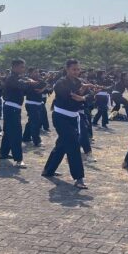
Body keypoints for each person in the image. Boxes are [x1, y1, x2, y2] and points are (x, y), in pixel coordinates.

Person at [42, 59, 89, 189]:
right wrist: (81, 93)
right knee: (73, 144)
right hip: (61, 117)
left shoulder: (80, 82)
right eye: (73, 69)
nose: (76, 72)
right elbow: (69, 97)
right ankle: (79, 178)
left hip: (74, 117)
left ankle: (48, 170)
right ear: (67, 69)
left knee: (62, 144)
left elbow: (89, 97)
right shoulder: (60, 83)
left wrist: (84, 96)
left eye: (78, 69)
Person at [0, 59, 37, 168]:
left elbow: (23, 89)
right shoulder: (11, 78)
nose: (23, 69)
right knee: (16, 133)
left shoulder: (17, 78)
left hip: (13, 108)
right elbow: (22, 86)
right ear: (14, 67)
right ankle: (19, 159)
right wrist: (30, 82)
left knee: (8, 131)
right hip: (12, 108)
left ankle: (3, 153)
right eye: (21, 67)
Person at [21, 68, 47, 147]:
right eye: (35, 72)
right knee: (36, 122)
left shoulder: (38, 79)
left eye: (38, 72)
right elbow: (36, 85)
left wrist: (42, 89)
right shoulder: (27, 80)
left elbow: (45, 84)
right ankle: (37, 140)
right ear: (30, 73)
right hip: (31, 104)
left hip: (38, 103)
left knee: (32, 121)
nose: (37, 73)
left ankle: (26, 137)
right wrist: (33, 83)